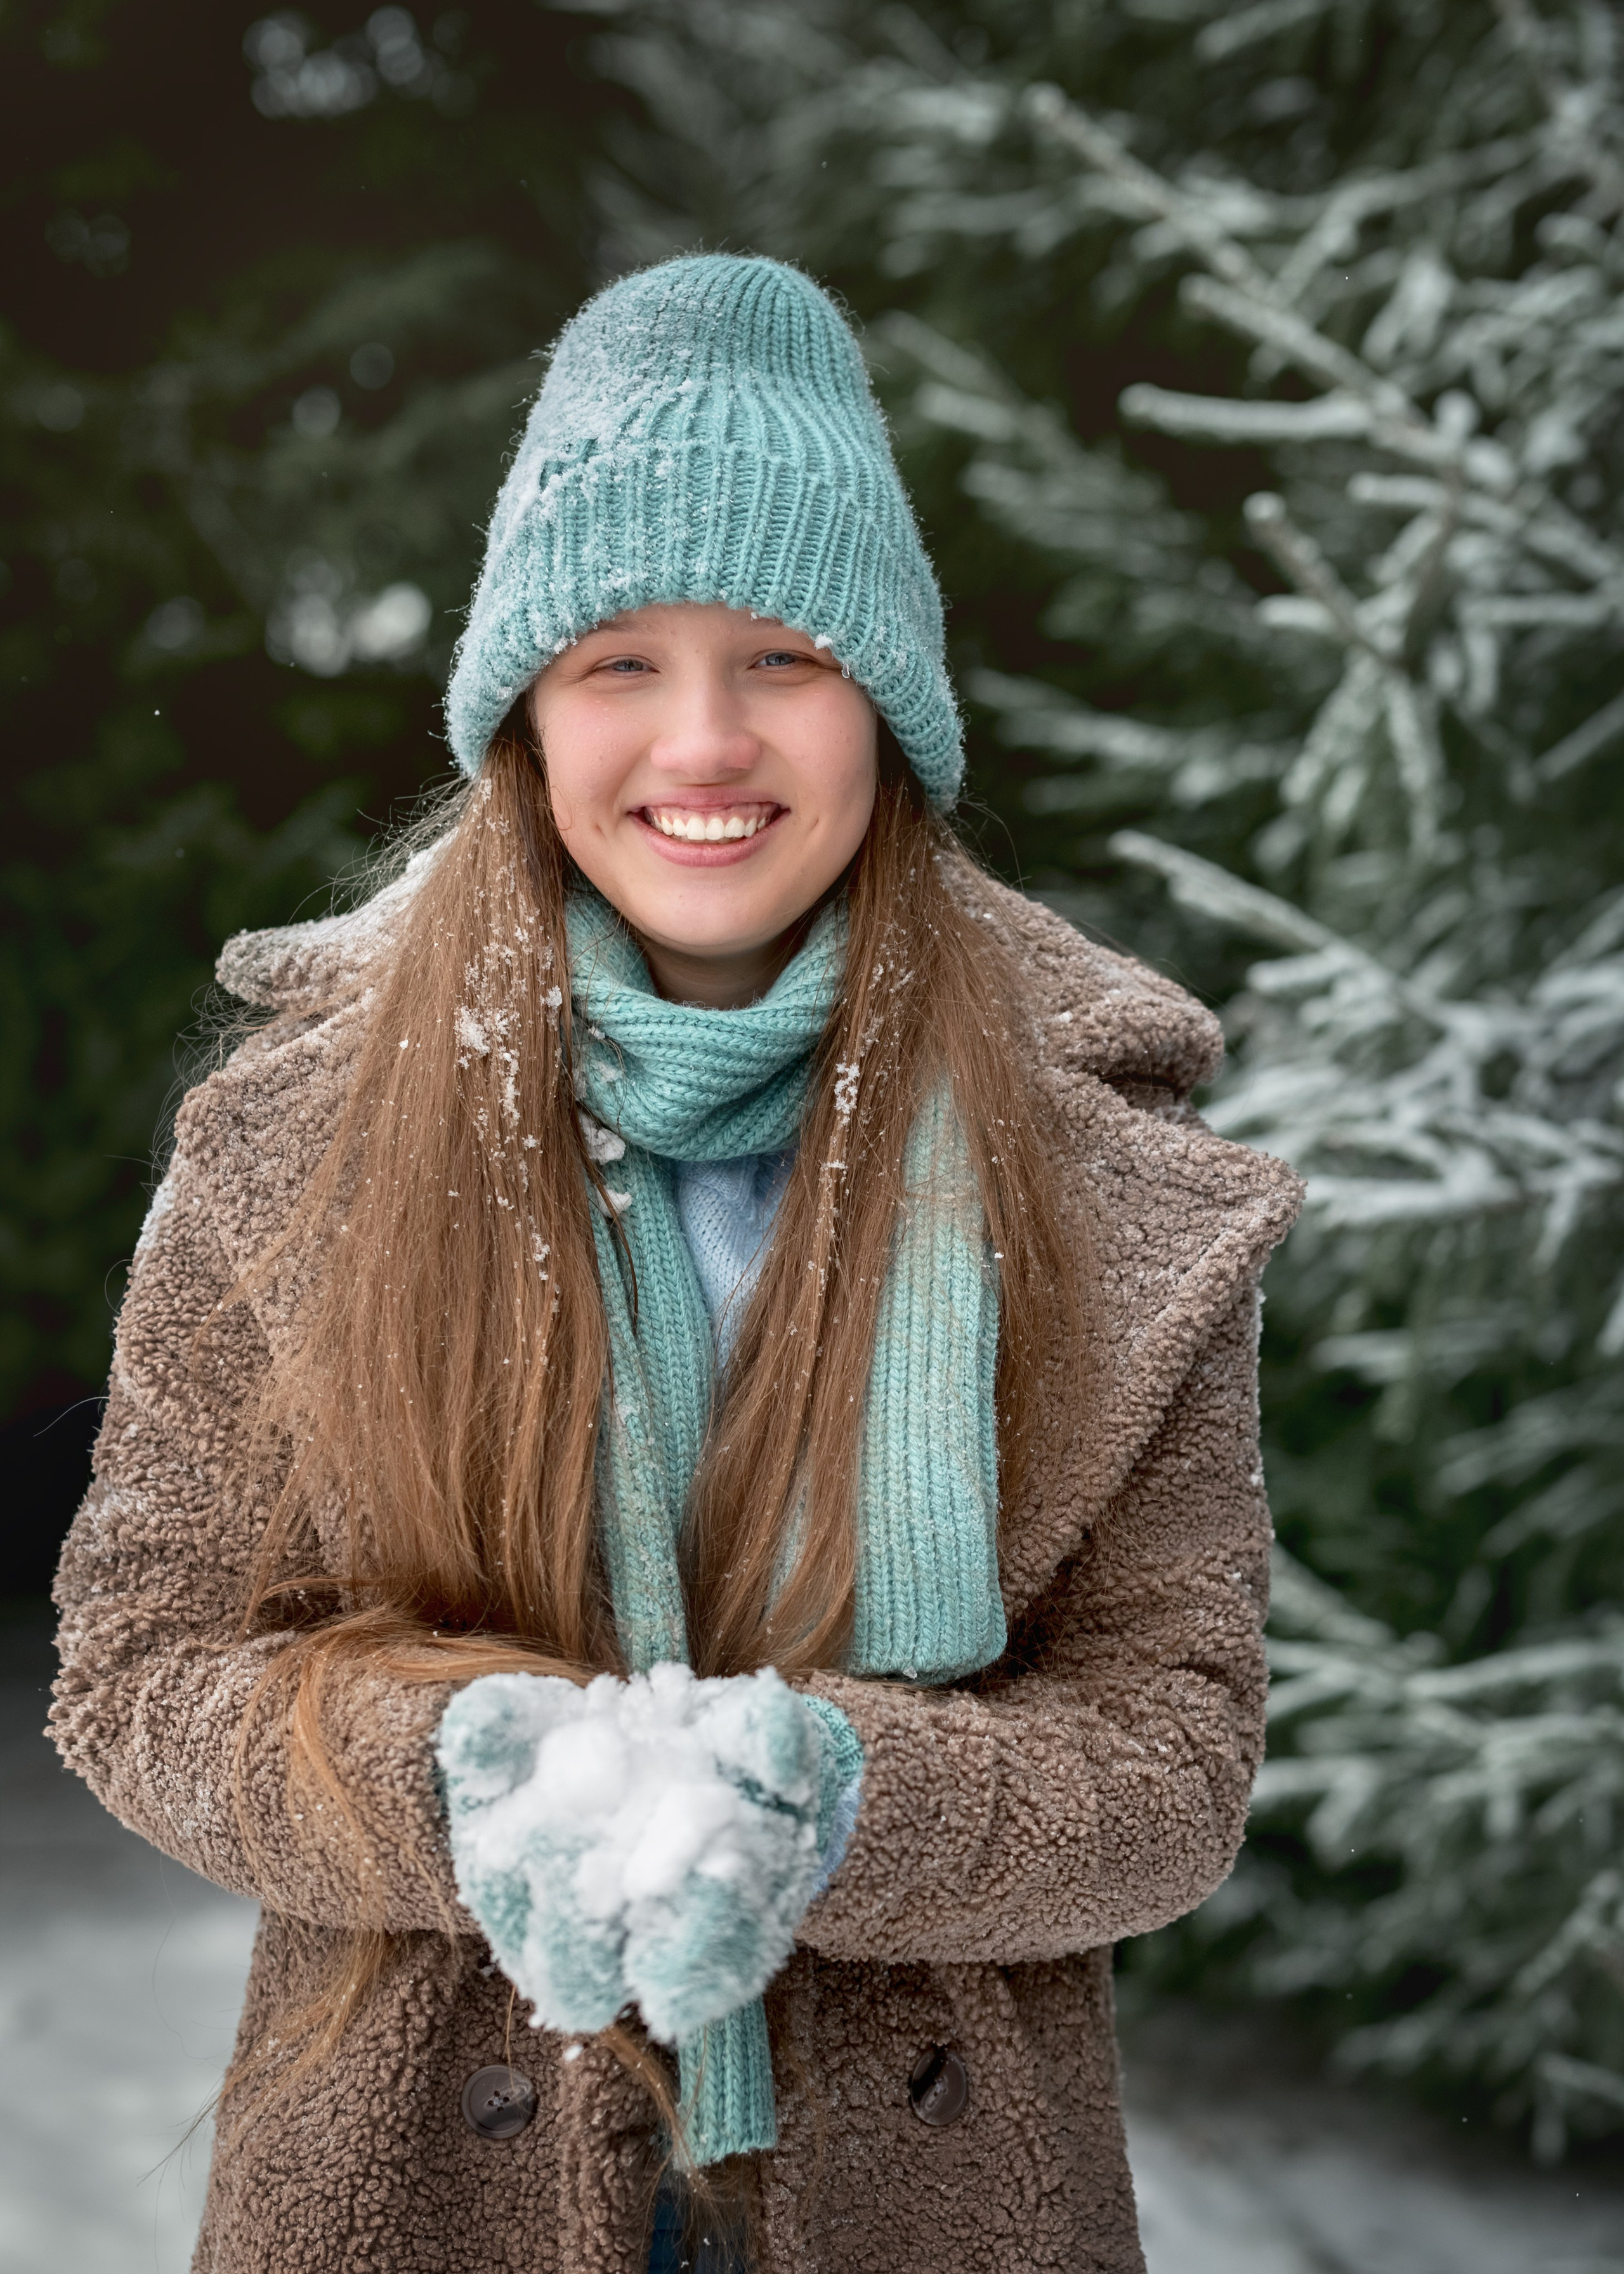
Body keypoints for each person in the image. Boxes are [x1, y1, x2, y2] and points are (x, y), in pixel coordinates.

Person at [50, 253, 1302, 2274]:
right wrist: (466, 1786)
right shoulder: (300, 1143)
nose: (703, 742)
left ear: (886, 706)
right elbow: (139, 1668)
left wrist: (835, 1808)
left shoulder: (1104, 1169)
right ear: (525, 712)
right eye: (619, 659)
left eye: (782, 656)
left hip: (934, 2201)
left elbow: (1176, 1753)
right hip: (413, 2186)